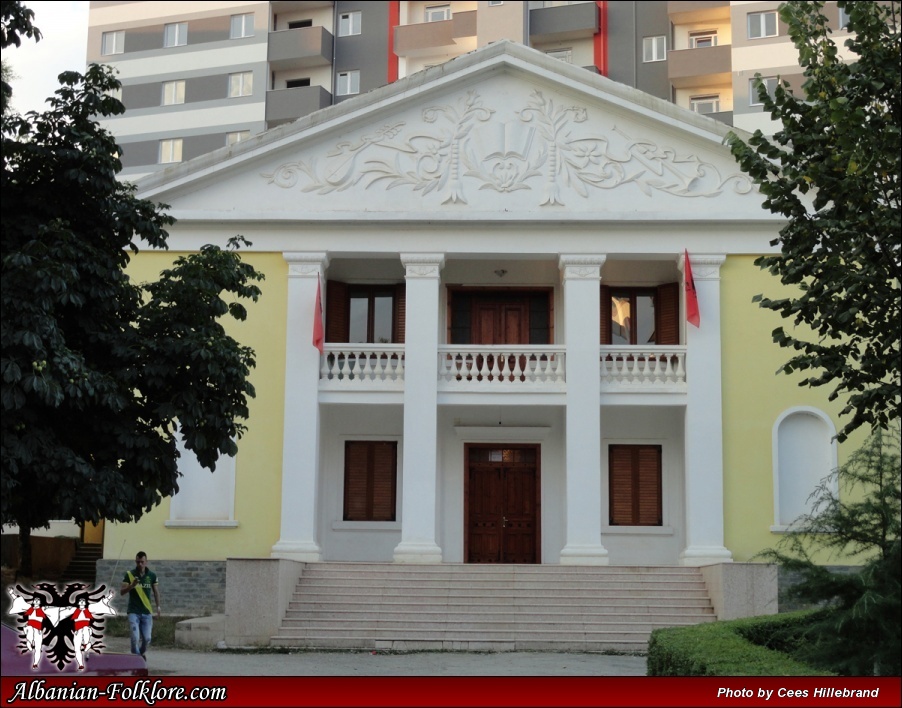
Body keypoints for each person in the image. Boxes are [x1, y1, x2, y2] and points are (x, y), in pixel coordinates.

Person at [120, 551, 161, 659]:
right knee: (135, 637)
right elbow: (122, 592)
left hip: (147, 611)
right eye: (138, 562)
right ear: (135, 561)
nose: (140, 564)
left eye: (142, 562)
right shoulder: (129, 574)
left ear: (146, 562)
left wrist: (158, 608)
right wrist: (132, 585)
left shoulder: (152, 575)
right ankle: (137, 658)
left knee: (147, 639)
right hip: (133, 611)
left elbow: (156, 592)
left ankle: (140, 653)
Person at [71, 591, 116, 671]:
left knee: (86, 633)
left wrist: (109, 596)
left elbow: (101, 603)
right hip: (77, 630)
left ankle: (86, 647)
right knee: (76, 648)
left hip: (86, 629)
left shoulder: (90, 608)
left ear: (85, 603)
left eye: (83, 601)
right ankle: (81, 664)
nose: (81, 602)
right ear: (78, 602)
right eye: (80, 601)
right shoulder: (74, 610)